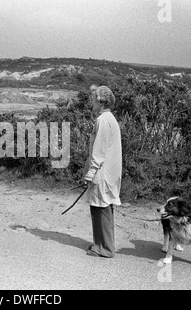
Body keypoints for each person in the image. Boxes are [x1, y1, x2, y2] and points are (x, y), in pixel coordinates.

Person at [83, 85, 122, 258]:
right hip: (108, 171)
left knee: (101, 208)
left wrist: (90, 174)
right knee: (98, 207)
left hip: (103, 172)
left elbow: (98, 152)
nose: (91, 102)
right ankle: (100, 244)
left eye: (93, 99)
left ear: (101, 101)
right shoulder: (108, 118)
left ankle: (106, 248)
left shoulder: (103, 120)